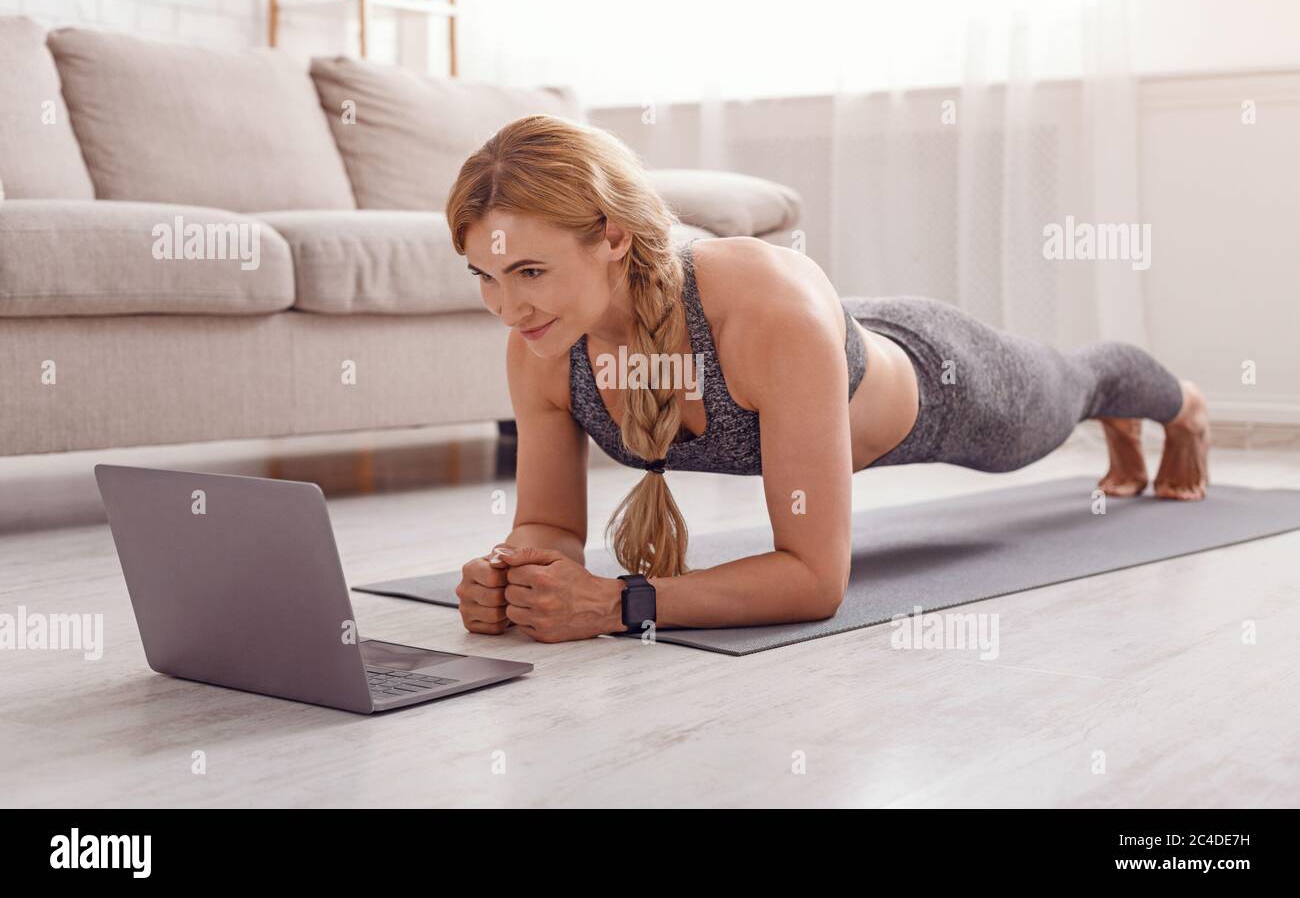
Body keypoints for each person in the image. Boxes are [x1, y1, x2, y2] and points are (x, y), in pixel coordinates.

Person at [444, 115, 1210, 643]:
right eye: (485, 276)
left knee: (1073, 385)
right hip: (816, 350)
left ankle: (1182, 411)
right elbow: (551, 529)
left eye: (530, 271)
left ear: (611, 235)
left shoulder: (763, 314)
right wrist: (515, 575)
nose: (507, 308)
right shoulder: (543, 341)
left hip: (938, 380)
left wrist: (621, 604)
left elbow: (814, 580)